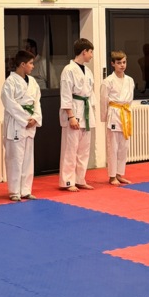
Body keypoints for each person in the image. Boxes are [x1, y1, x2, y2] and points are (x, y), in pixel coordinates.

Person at [2, 49, 41, 201]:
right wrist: (25, 119)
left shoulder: (33, 82)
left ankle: (25, 190)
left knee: (28, 158)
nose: (33, 66)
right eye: (31, 63)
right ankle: (14, 191)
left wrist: (35, 117)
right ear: (22, 64)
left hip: (30, 122)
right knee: (15, 158)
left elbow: (37, 102)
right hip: (16, 123)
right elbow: (9, 104)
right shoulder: (10, 82)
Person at [59, 38, 96, 191]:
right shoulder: (68, 70)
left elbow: (91, 94)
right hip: (74, 110)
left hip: (86, 110)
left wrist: (91, 112)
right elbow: (66, 94)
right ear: (84, 52)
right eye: (91, 52)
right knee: (70, 149)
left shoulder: (88, 71)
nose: (92, 55)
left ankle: (80, 179)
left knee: (84, 149)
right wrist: (71, 116)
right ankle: (68, 181)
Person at [101, 49, 134, 185]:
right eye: (119, 63)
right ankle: (112, 176)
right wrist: (104, 118)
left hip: (125, 113)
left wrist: (127, 110)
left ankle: (120, 174)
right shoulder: (107, 81)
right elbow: (103, 100)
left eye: (124, 62)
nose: (122, 65)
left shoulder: (130, 80)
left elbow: (130, 99)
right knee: (113, 146)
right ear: (112, 64)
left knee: (124, 146)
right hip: (114, 114)